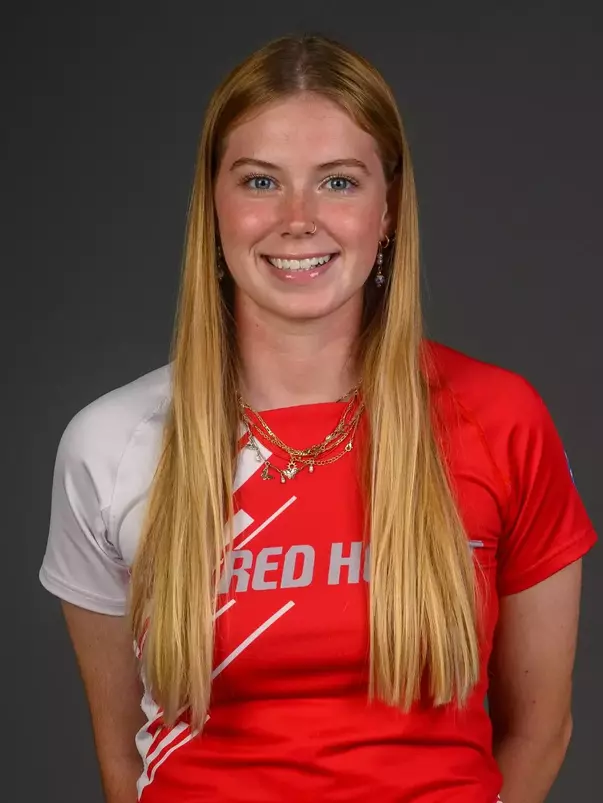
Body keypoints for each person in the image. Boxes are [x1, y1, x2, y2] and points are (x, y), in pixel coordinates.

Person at [39, 33, 597, 803]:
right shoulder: (109, 444)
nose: (297, 218)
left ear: (388, 207)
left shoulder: (500, 419)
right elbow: (121, 761)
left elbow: (542, 729)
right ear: (213, 204)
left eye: (338, 182)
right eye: (260, 181)